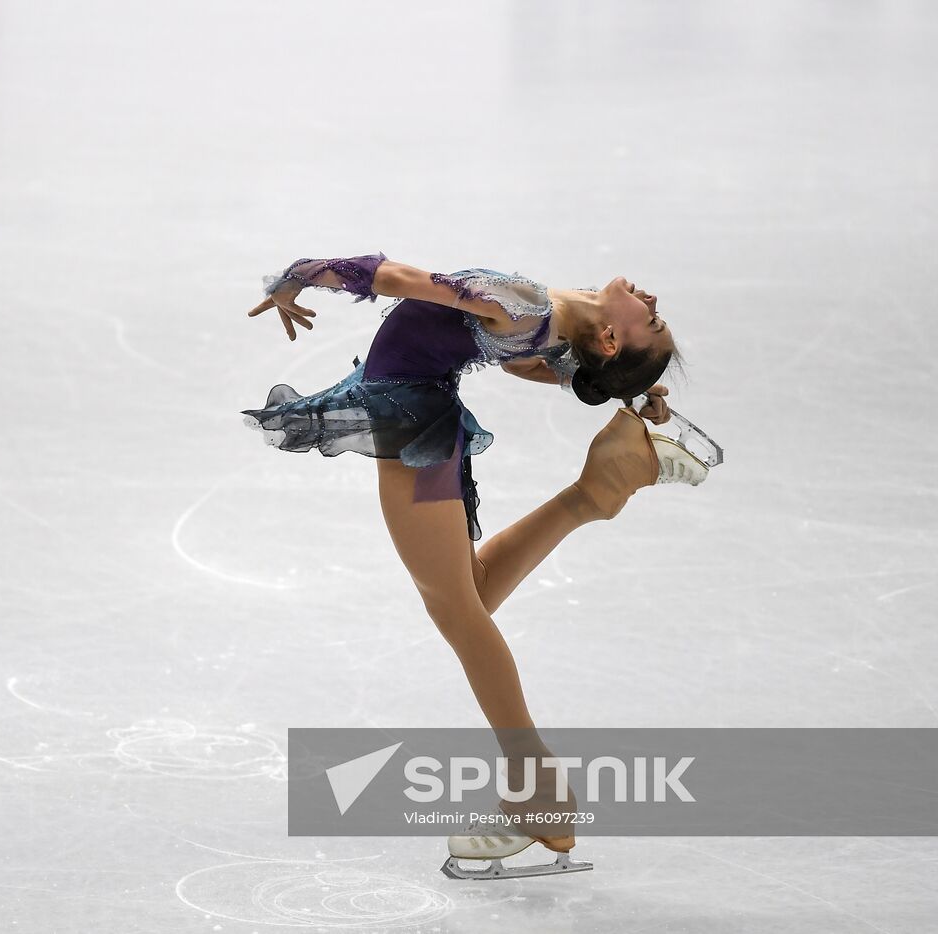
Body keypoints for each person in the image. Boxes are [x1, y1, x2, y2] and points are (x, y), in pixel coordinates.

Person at [241, 252, 692, 878]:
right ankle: (598, 489)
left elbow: (396, 279)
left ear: (612, 336)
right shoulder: (549, 319)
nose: (650, 297)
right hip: (421, 419)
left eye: (653, 318)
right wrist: (626, 384)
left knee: (457, 609)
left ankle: (538, 788)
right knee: (466, 597)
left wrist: (295, 278)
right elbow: (534, 362)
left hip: (414, 430)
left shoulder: (528, 306)